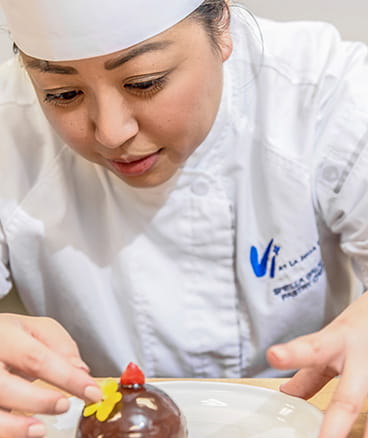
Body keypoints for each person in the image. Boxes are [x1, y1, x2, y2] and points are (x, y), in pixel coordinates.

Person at [0, 0, 367, 436]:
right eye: (63, 94)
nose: (112, 132)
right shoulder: (8, 126)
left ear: (223, 25)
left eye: (144, 83)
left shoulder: (327, 92)